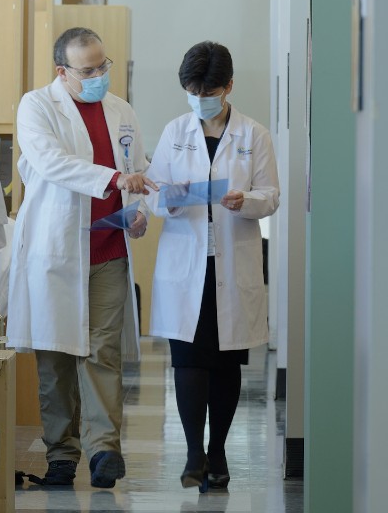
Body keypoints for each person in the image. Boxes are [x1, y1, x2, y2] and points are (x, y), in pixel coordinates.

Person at [7, 27, 157, 489]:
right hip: (57, 251)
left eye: (102, 66)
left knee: (102, 354)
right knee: (54, 359)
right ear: (63, 72)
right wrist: (114, 179)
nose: (98, 76)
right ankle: (61, 455)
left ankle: (104, 451)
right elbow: (52, 163)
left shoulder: (121, 110)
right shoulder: (36, 106)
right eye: (88, 70)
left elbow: (139, 170)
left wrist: (138, 213)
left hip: (109, 249)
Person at [147, 41, 280, 491]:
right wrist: (169, 196)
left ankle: (218, 451)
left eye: (209, 91)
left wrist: (247, 200)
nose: (200, 98)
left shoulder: (253, 134)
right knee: (188, 358)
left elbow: (271, 196)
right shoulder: (174, 131)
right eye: (193, 90)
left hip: (232, 259)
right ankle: (192, 452)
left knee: (225, 362)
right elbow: (154, 193)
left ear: (228, 87)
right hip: (187, 264)